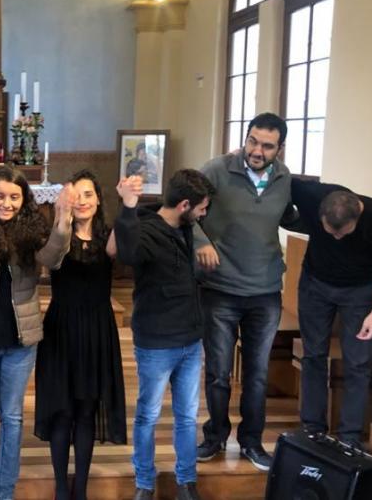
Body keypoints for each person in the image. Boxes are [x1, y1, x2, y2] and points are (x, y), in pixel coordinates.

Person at [0, 166, 74, 500]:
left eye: (14, 197)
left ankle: (4, 490)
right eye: (0, 196)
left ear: (24, 199)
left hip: (21, 342)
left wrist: (63, 219)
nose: (6, 203)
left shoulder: (32, 228)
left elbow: (52, 258)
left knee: (12, 417)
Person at [194, 112, 298, 471]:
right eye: (253, 140)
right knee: (219, 372)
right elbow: (184, 208)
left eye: (267, 145)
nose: (257, 150)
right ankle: (215, 436)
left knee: (257, 374)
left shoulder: (286, 179)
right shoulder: (217, 170)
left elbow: (295, 216)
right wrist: (200, 242)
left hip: (265, 291)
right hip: (220, 288)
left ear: (279, 149)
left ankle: (252, 442)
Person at [116, 170, 215, 500]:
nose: (203, 215)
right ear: (185, 204)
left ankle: (186, 480)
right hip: (157, 342)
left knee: (188, 417)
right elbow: (127, 255)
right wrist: (128, 206)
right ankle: (145, 482)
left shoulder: (185, 226)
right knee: (148, 415)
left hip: (190, 339)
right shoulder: (145, 229)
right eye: (201, 208)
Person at [34, 170, 127, 500]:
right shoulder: (57, 234)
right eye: (76, 195)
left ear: (98, 199)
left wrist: (128, 205)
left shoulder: (108, 236)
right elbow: (48, 261)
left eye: (88, 194)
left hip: (97, 330)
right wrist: (62, 216)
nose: (83, 201)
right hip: (62, 328)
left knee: (86, 411)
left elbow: (122, 254)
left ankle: (81, 488)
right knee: (62, 411)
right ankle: (61, 487)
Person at [290, 178, 372, 449]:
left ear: (357, 216)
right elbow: (276, 175)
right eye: (330, 232)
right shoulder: (311, 194)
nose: (336, 237)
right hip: (315, 285)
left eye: (343, 233)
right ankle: (312, 429)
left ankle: (350, 438)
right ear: (320, 213)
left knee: (358, 365)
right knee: (313, 356)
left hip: (359, 293)